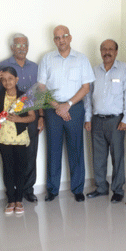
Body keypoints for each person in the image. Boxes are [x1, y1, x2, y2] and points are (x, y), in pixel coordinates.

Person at [37, 25, 95, 202]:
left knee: (76, 149)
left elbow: (86, 87)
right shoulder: (47, 59)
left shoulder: (81, 59)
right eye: (57, 37)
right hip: (52, 108)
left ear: (70, 38)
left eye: (64, 36)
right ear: (54, 40)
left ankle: (78, 189)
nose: (61, 40)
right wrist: (57, 106)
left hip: (74, 108)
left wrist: (67, 105)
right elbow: (41, 87)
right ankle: (52, 189)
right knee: (53, 150)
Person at [0, 33, 41, 203]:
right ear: (12, 47)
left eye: (24, 45)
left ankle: (27, 190)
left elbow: (39, 93)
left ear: (28, 47)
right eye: (18, 45)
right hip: (7, 119)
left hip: (30, 115)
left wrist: (41, 116)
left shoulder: (35, 67)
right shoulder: (3, 65)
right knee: (9, 160)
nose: (22, 48)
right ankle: (12, 194)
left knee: (30, 154)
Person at [84, 39, 126, 203]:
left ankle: (118, 190)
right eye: (104, 49)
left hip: (116, 120)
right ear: (100, 51)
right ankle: (101, 188)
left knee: (117, 156)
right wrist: (88, 118)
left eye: (111, 49)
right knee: (98, 157)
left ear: (116, 51)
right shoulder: (94, 70)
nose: (107, 52)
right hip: (97, 119)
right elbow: (88, 97)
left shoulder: (124, 69)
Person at [0, 67, 36, 214]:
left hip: (19, 137)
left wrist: (18, 119)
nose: (7, 82)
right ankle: (10, 200)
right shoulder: (0, 95)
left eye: (10, 79)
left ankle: (19, 200)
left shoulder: (24, 97)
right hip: (3, 137)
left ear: (16, 79)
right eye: (3, 80)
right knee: (8, 169)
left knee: (20, 168)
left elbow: (32, 117)